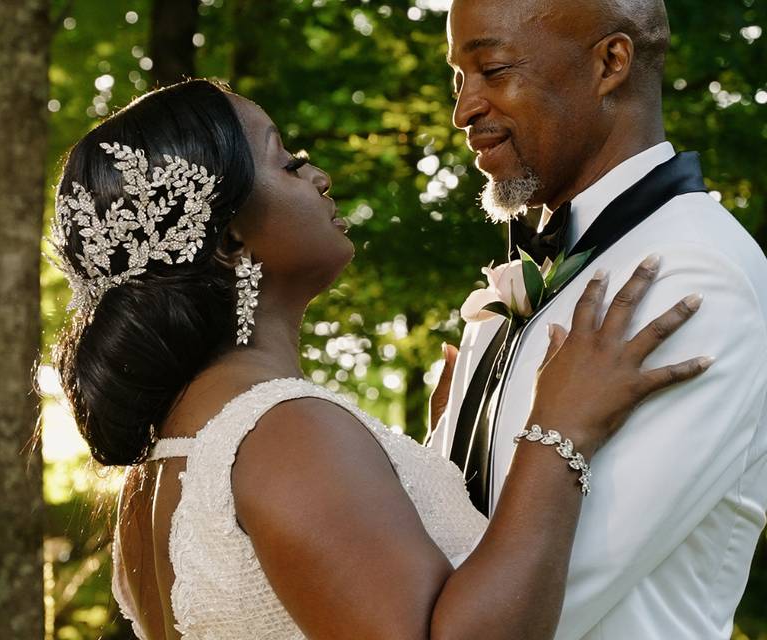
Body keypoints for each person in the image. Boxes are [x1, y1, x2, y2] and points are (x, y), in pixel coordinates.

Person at [48, 79, 709, 639]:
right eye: (288, 162)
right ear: (229, 239)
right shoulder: (285, 432)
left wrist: (423, 460)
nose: (319, 174)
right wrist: (560, 432)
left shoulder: (156, 471)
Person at [431, 0, 767, 638]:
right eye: (458, 79)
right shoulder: (534, 276)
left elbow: (543, 601)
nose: (464, 110)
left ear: (610, 63)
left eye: (493, 70)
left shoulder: (690, 276)